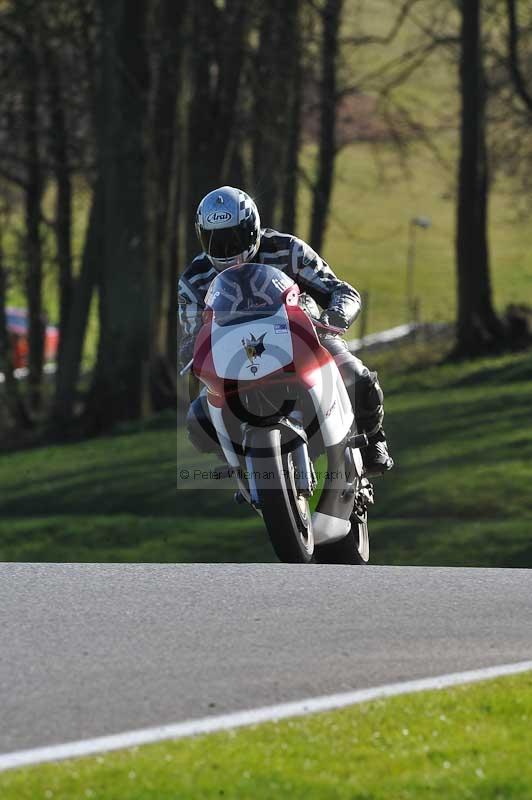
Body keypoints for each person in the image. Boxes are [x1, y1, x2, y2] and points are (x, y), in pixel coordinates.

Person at [178, 186, 393, 476]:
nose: (226, 248)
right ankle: (241, 463)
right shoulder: (193, 280)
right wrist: (192, 353)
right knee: (198, 419)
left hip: (305, 338)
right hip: (237, 356)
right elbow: (192, 333)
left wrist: (334, 316)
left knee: (357, 376)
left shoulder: (288, 249)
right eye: (214, 239)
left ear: (252, 228)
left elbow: (340, 290)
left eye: (234, 238)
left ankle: (373, 439)